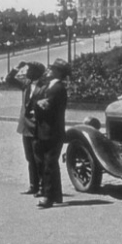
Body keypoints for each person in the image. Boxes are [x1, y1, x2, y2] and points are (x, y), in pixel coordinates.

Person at [33, 58, 70, 209]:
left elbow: (46, 107)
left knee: (49, 165)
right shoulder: (51, 86)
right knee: (50, 164)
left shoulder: (58, 88)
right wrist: (39, 103)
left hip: (52, 132)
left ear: (58, 72)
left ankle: (48, 197)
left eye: (52, 69)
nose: (49, 70)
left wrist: (37, 104)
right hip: (47, 131)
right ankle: (56, 195)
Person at [5, 62, 46, 196]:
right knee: (30, 158)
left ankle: (43, 187)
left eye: (29, 70)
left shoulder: (44, 87)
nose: (27, 72)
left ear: (36, 72)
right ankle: (33, 185)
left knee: (39, 158)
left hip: (37, 126)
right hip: (25, 126)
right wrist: (17, 67)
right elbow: (9, 79)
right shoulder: (26, 84)